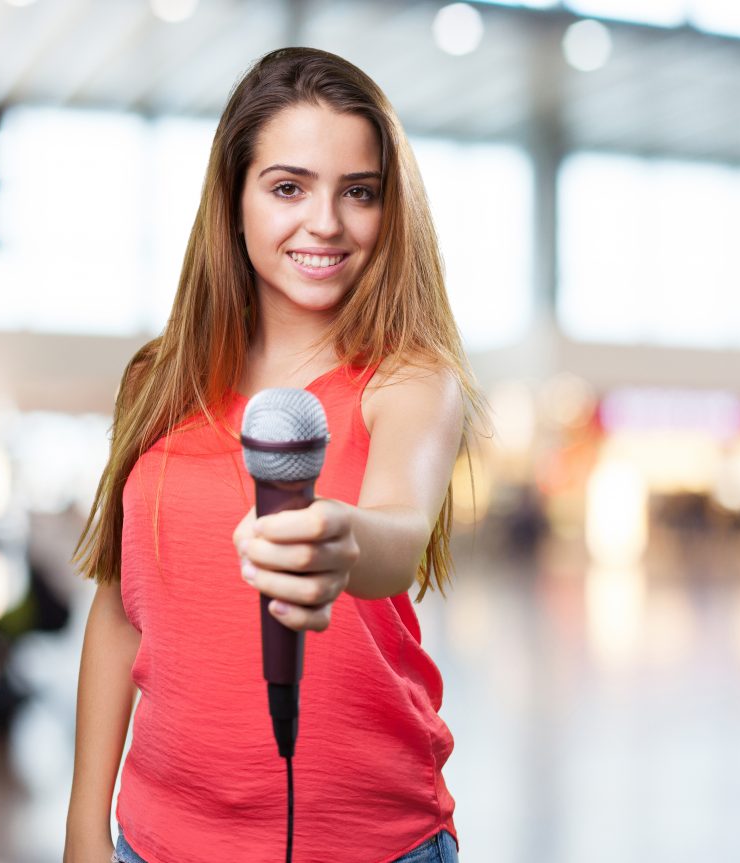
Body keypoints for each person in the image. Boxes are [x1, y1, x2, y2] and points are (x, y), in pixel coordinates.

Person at [64, 47, 483, 863]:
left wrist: (337, 539)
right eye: (289, 186)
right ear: (235, 199)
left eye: (357, 192)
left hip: (371, 845)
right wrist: (85, 828)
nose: (324, 222)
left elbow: (397, 530)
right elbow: (119, 608)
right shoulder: (158, 379)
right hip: (153, 844)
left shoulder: (409, 380)